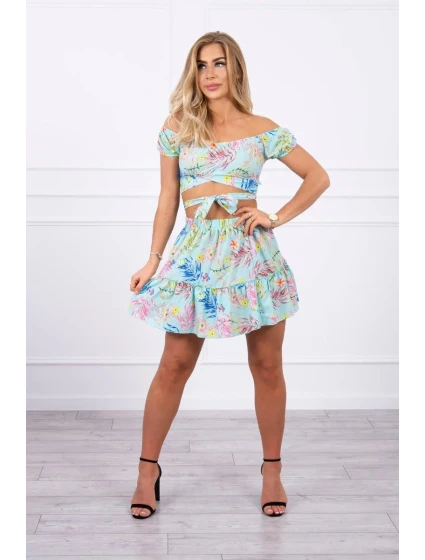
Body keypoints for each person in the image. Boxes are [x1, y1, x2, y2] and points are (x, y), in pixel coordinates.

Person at [127, 31, 330, 519]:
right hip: (195, 257)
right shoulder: (179, 126)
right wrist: (153, 258)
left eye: (219, 63)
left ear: (235, 68)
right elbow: (168, 198)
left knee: (267, 366)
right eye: (201, 65)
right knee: (174, 365)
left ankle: (272, 471)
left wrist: (274, 216)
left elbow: (318, 177)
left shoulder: (262, 129)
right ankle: (146, 472)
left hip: (253, 259)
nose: (210, 74)